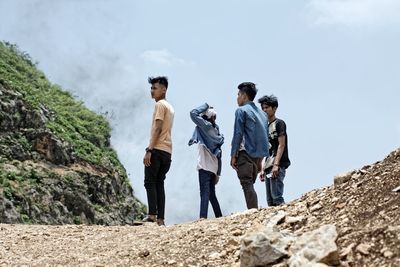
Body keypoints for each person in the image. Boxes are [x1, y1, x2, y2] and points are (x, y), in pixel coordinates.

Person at [231, 82, 269, 209]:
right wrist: (260, 161)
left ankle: (253, 211)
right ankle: (254, 210)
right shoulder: (263, 114)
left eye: (238, 94)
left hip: (244, 153)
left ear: (244, 95)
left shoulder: (241, 111)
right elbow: (264, 136)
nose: (237, 97)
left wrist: (233, 155)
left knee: (246, 184)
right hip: (257, 156)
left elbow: (238, 134)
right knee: (249, 184)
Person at [142, 76, 174, 226]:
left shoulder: (160, 105)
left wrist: (149, 149)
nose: (152, 91)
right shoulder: (170, 107)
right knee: (159, 183)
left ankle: (152, 215)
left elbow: (158, 127)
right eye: (151, 88)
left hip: (157, 149)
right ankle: (160, 218)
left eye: (154, 88)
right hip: (168, 151)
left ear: (164, 89)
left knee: (149, 182)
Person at [189, 103, 224, 219]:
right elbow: (220, 154)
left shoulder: (205, 127)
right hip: (213, 167)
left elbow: (193, 113)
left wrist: (205, 105)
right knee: (211, 194)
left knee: (204, 192)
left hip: (204, 165)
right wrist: (218, 173)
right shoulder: (216, 130)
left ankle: (202, 217)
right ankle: (219, 216)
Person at [258, 95, 290, 206]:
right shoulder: (265, 127)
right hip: (268, 166)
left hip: (277, 165)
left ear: (274, 108)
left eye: (267, 107)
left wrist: (276, 165)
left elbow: (282, 145)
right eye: (263, 108)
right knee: (270, 201)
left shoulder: (279, 123)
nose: (264, 110)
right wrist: (262, 168)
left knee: (277, 197)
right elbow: (266, 148)